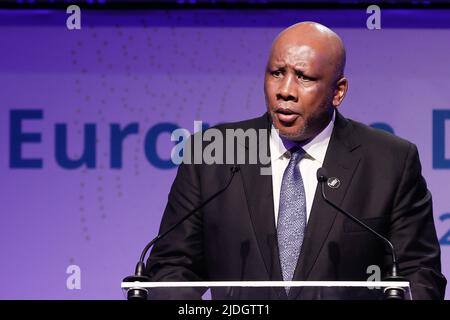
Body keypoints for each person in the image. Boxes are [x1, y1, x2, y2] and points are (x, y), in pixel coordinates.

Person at [145, 22, 446, 299]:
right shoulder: (213, 152)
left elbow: (419, 275)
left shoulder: (389, 162)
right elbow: (172, 267)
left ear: (338, 91)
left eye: (303, 77)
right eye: (277, 73)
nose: (285, 91)